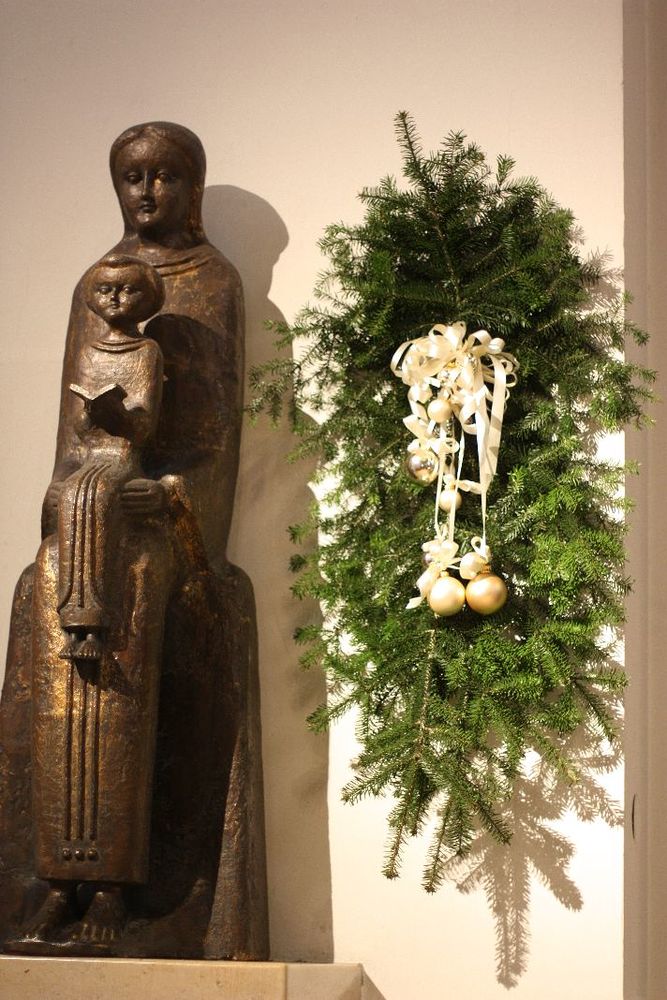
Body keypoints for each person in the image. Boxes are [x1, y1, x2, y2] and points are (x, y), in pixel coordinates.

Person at [1, 123, 268, 959]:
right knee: (43, 588)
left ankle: (120, 882)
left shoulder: (213, 281)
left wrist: (176, 499)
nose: (147, 192)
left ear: (193, 186)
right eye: (131, 177)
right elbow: (70, 434)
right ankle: (55, 874)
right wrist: (63, 506)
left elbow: (216, 432)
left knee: (143, 601)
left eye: (165, 176)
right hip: (93, 510)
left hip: (161, 518)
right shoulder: (98, 280)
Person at [57, 254, 165, 663]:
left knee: (98, 494)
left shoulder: (147, 352)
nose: (116, 298)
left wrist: (119, 415)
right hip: (91, 454)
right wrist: (91, 413)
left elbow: (145, 425)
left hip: (123, 456)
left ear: (147, 298)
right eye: (105, 290)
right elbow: (78, 428)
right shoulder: (88, 352)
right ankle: (74, 622)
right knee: (73, 493)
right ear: (92, 297)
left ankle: (95, 627)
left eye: (127, 289)